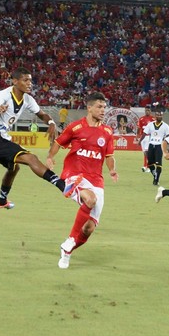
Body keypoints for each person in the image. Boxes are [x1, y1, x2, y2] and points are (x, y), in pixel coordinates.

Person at [0, 66, 75, 210]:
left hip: (2, 138)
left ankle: (1, 200)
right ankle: (62, 185)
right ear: (15, 81)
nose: (29, 83)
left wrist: (50, 122)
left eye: (30, 80)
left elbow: (41, 114)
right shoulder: (4, 95)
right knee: (31, 158)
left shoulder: (28, 99)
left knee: (14, 168)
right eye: (25, 80)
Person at [46, 92, 118, 269]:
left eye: (104, 107)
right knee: (90, 200)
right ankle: (71, 238)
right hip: (74, 175)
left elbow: (109, 155)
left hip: (96, 180)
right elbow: (58, 143)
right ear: (89, 107)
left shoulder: (107, 132)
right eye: (99, 107)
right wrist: (50, 157)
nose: (103, 110)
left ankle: (67, 251)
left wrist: (112, 170)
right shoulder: (75, 127)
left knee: (88, 229)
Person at [141, 109, 169, 186]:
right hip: (151, 145)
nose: (159, 116)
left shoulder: (165, 126)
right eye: (157, 115)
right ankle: (155, 175)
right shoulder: (150, 124)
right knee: (150, 164)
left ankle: (156, 180)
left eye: (160, 115)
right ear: (155, 116)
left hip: (159, 146)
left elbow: (168, 138)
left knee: (158, 164)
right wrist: (139, 141)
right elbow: (144, 133)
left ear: (162, 116)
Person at [138, 106, 155, 172]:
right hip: (143, 137)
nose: (147, 111)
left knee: (147, 152)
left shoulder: (153, 119)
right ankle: (147, 165)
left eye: (148, 110)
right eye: (146, 110)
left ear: (150, 111)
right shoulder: (141, 118)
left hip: (149, 136)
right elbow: (139, 128)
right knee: (144, 152)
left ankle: (147, 166)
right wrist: (138, 136)